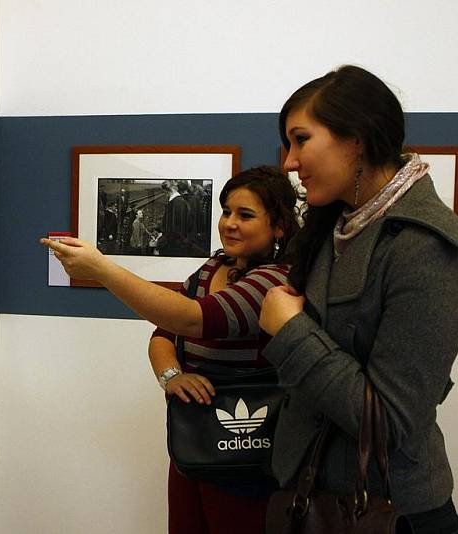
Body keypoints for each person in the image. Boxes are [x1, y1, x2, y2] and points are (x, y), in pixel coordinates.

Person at [258, 65, 458, 534]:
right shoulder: (337, 227)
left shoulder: (427, 246)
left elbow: (388, 421)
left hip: (386, 512)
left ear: (356, 138)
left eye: (300, 140)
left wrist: (291, 331)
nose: (289, 162)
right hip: (310, 498)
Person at [42, 166, 301, 534]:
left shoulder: (276, 279)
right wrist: (172, 375)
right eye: (227, 211)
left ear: (278, 226)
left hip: (246, 451)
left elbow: (193, 319)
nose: (229, 223)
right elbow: (165, 333)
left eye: (245, 215)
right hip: (194, 442)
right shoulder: (213, 267)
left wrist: (101, 269)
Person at [158, 180, 192, 256]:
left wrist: (161, 239)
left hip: (174, 246)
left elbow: (173, 229)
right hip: (180, 243)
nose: (165, 195)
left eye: (164, 193)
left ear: (167, 191)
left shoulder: (174, 203)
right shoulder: (181, 201)